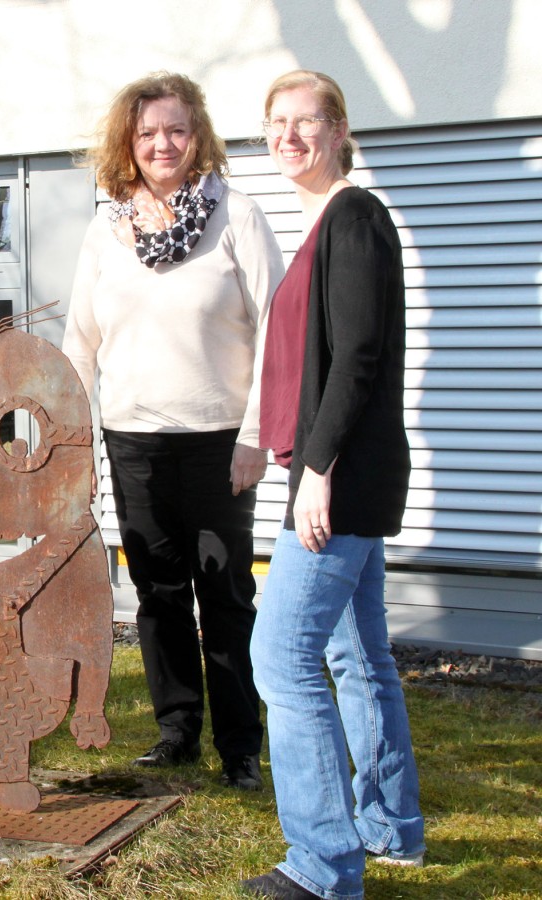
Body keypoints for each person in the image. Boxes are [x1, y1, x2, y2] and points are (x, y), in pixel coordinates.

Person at [62, 72, 283, 791]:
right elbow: (80, 344)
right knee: (159, 596)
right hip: (133, 442)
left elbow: (279, 331)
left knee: (224, 595)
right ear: (129, 142)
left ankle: (240, 745)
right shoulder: (106, 229)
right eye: (149, 132)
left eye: (176, 130)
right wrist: (72, 440)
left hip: (221, 445)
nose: (163, 144)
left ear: (198, 136)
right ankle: (176, 731)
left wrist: (258, 436)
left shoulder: (237, 216)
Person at [241, 70, 425, 900]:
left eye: (305, 121)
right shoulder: (330, 219)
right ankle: (391, 828)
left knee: (280, 660)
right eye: (275, 123)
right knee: (357, 657)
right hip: (338, 473)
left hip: (337, 481)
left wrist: (315, 473)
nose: (288, 136)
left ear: (341, 129)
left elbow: (355, 358)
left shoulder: (353, 217)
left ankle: (322, 866)